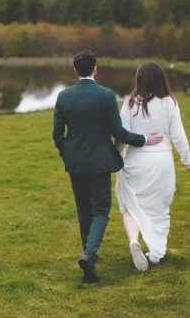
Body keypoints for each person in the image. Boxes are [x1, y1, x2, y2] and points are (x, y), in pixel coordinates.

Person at [52, 50, 163, 284]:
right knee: (100, 211)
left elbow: (57, 135)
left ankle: (88, 253)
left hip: (76, 163)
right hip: (100, 162)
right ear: (95, 68)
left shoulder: (63, 96)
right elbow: (118, 132)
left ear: (75, 71)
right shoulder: (106, 95)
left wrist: (68, 154)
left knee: (83, 210)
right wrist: (143, 139)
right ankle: (89, 254)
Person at [115, 62, 190, 272]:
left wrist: (118, 156)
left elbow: (121, 135)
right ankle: (155, 254)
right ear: (161, 79)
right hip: (161, 162)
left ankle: (134, 241)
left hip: (135, 161)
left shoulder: (131, 102)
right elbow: (178, 136)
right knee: (160, 208)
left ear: (139, 79)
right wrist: (188, 161)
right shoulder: (170, 103)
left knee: (130, 205)